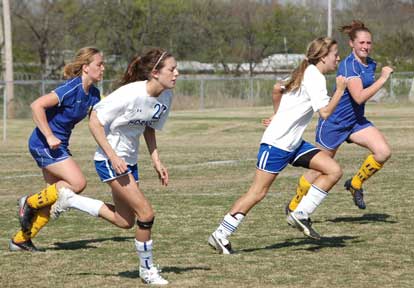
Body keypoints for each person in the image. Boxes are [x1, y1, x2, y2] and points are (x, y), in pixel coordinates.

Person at [43, 48, 178, 285]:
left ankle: (70, 200)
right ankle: (147, 271)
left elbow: (149, 126)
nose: (177, 73)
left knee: (124, 221)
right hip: (110, 161)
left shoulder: (165, 96)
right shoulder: (129, 94)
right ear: (155, 73)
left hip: (129, 161)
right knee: (146, 214)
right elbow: (95, 120)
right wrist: (112, 155)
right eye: (172, 69)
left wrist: (156, 160)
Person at [208, 37, 347, 254]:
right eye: (335, 54)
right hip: (277, 144)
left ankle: (300, 214)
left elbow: (276, 89)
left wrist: (277, 114)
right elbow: (325, 113)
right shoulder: (314, 76)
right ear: (323, 56)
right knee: (257, 193)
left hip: (293, 143)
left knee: (333, 170)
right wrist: (340, 90)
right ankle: (220, 234)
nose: (338, 57)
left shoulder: (305, 71)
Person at [286, 20, 393, 215]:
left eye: (368, 43)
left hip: (356, 123)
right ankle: (294, 205)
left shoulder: (370, 64)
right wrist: (383, 79)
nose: (365, 46)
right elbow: (359, 97)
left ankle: (355, 183)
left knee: (383, 152)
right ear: (352, 44)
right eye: (361, 43)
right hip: (334, 123)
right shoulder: (348, 66)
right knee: (320, 169)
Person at [9, 47, 105, 252]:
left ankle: (20, 240)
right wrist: (50, 135)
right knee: (78, 183)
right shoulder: (71, 88)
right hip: (44, 143)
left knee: (50, 200)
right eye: (99, 64)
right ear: (86, 68)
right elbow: (36, 106)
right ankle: (28, 201)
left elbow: (102, 120)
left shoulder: (94, 94)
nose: (103, 68)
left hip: (58, 146)